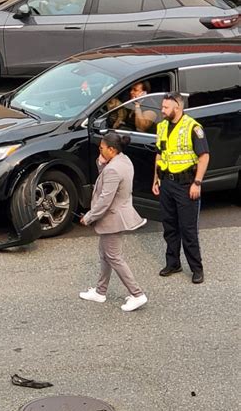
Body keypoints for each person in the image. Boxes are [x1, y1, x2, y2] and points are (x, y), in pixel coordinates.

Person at [79, 130, 148, 312]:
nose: (99, 151)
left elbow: (105, 200)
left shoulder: (112, 169)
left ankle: (137, 294)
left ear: (111, 149)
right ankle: (101, 291)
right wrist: (101, 164)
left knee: (114, 257)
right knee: (105, 254)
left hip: (112, 218)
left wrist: (89, 217)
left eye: (102, 148)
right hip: (118, 214)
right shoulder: (123, 160)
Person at [152, 92, 210, 284]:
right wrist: (156, 179)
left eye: (166, 107)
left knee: (188, 229)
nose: (162, 110)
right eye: (162, 107)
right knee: (169, 226)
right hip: (166, 182)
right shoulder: (162, 127)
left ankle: (196, 268)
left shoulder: (193, 127)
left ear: (177, 107)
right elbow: (160, 155)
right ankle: (173, 263)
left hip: (186, 184)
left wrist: (197, 183)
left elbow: (204, 156)